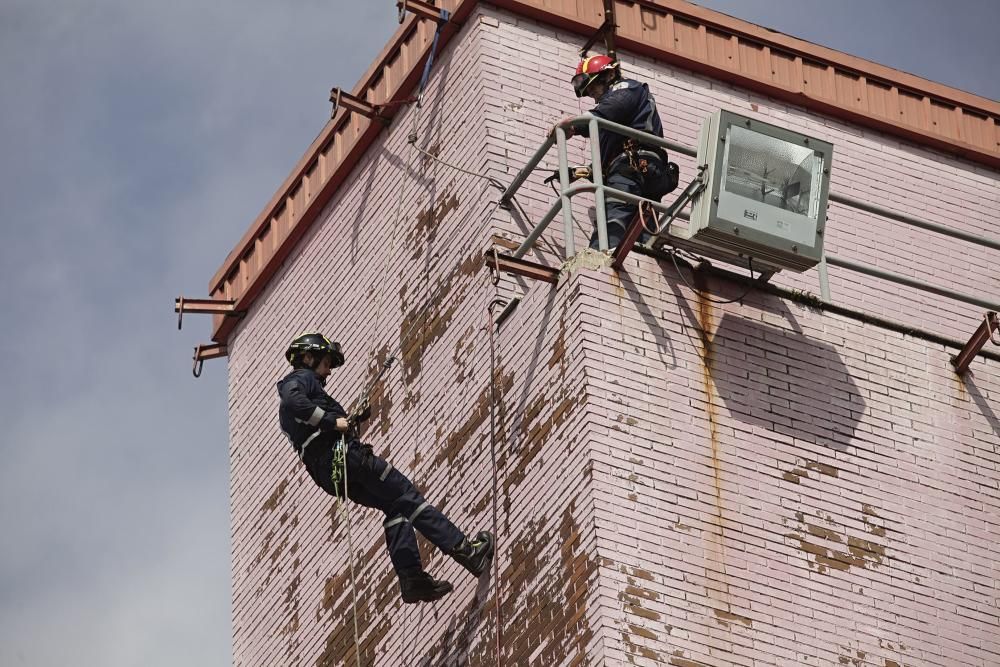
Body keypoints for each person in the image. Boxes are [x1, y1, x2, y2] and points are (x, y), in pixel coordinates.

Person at [276, 332, 494, 604]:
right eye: (326, 363)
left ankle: (412, 579)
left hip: (332, 475)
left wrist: (349, 420)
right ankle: (467, 551)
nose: (329, 370)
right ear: (308, 358)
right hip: (348, 459)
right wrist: (335, 423)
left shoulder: (302, 400)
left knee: (394, 507)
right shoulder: (299, 380)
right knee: (408, 498)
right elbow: (294, 401)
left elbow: (312, 427)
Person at [555, 54, 678, 249]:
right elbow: (610, 152)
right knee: (644, 224)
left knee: (614, 218)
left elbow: (611, 109)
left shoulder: (627, 88)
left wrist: (573, 125)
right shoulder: (611, 124)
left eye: (593, 88)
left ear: (610, 75)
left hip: (632, 167)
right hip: (641, 166)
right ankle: (647, 258)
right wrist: (582, 170)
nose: (593, 95)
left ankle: (598, 261)